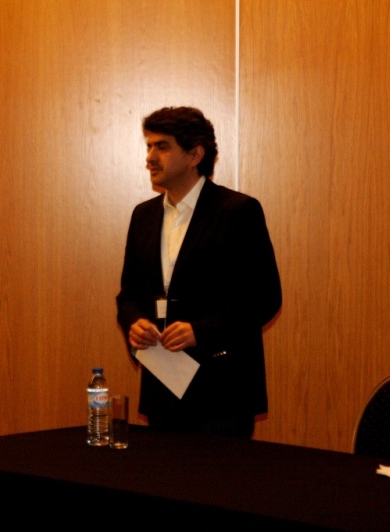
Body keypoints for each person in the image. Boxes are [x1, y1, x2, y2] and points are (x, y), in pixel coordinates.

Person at [116, 106, 282, 438]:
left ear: (195, 155)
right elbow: (129, 296)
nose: (150, 157)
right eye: (149, 146)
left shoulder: (238, 212)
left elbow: (264, 298)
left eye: (162, 147)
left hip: (222, 393)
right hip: (162, 389)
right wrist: (134, 324)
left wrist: (200, 331)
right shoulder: (143, 216)